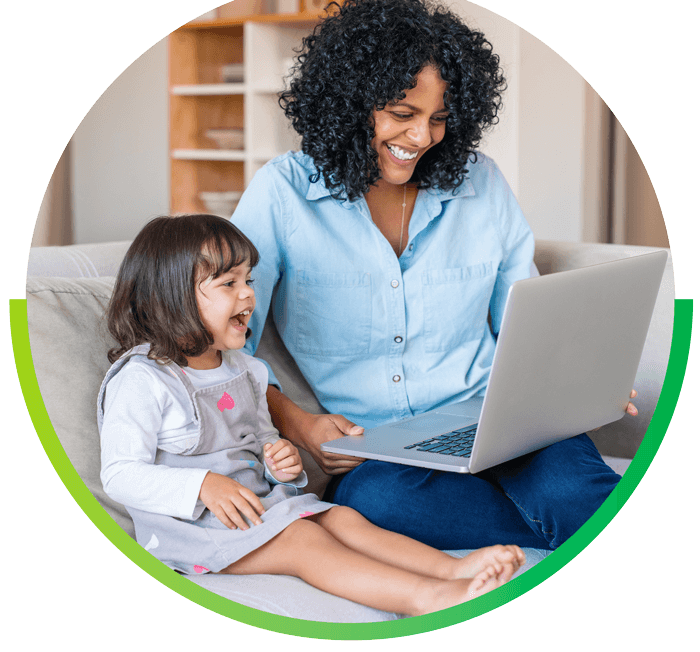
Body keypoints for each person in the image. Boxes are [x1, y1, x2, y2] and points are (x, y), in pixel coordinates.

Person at [231, 0, 637, 552]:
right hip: (383, 449)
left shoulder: (481, 182)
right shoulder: (281, 195)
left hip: (504, 418)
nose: (420, 138)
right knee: (375, 504)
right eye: (402, 114)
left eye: (439, 118)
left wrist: (581, 386)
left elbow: (529, 314)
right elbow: (228, 344)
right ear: (351, 102)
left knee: (570, 490)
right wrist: (302, 427)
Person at [97, 213, 526, 617]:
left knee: (341, 518)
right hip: (194, 532)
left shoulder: (246, 370)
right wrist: (204, 485)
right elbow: (119, 473)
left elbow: (263, 440)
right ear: (167, 299)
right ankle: (427, 598)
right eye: (228, 283)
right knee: (303, 541)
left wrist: (279, 460)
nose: (248, 293)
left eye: (248, 280)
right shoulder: (144, 379)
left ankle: (454, 570)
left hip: (262, 508)